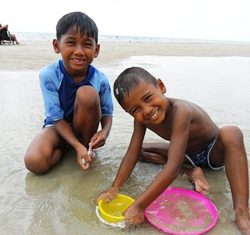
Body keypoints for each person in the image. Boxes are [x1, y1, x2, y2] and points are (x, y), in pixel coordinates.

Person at [98, 67, 250, 234]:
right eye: (136, 110)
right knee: (139, 150)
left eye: (148, 98)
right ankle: (192, 171)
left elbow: (171, 170)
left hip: (212, 153)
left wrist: (139, 206)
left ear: (161, 86)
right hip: (185, 154)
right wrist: (115, 187)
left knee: (231, 133)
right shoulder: (141, 120)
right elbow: (132, 153)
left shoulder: (181, 110)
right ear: (129, 113)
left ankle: (242, 212)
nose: (147, 110)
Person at [24, 12, 113, 174]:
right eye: (71, 42)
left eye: (87, 44)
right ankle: (70, 147)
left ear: (96, 50)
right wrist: (75, 145)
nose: (79, 51)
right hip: (57, 128)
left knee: (87, 94)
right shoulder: (49, 75)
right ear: (57, 46)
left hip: (84, 131)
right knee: (34, 162)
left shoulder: (100, 80)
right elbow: (55, 116)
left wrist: (104, 132)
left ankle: (85, 147)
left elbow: (107, 113)